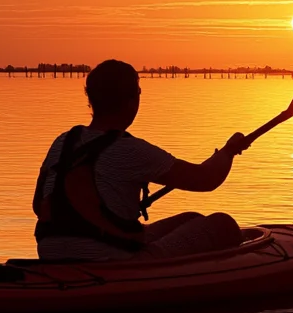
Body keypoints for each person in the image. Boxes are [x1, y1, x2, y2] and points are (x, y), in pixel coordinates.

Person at [33, 59, 249, 262]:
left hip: (50, 253)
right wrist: (228, 152)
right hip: (108, 259)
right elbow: (206, 179)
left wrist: (112, 208)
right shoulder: (130, 150)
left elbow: (38, 205)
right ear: (130, 102)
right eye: (138, 93)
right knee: (222, 224)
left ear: (91, 99)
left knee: (191, 218)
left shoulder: (63, 141)